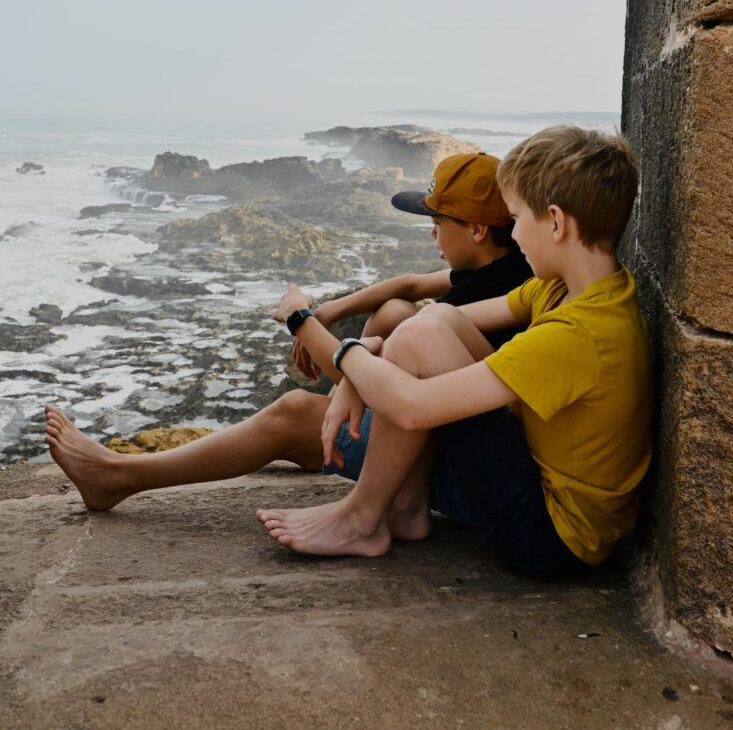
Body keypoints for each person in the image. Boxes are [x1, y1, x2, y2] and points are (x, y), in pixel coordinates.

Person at [256, 126, 653, 579]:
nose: (516, 235)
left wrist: (314, 330)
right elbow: (434, 322)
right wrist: (357, 373)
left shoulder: (581, 333)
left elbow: (409, 408)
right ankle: (400, 507)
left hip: (550, 539)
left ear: (557, 222)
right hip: (541, 481)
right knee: (426, 327)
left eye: (518, 218)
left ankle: (362, 518)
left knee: (418, 336)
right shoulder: (569, 290)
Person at [44, 153, 530, 509]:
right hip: (457, 445)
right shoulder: (505, 274)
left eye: (436, 222)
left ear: (476, 230)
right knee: (396, 310)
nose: (431, 235)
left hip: (469, 481)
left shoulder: (476, 303)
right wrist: (334, 310)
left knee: (295, 413)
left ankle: (116, 476)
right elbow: (409, 283)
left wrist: (302, 317)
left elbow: (367, 386)